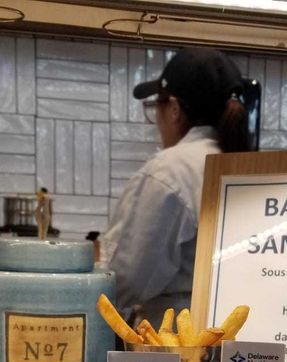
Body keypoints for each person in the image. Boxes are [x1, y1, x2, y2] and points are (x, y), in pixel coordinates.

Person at [100, 47, 251, 327]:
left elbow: (123, 279)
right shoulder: (246, 166)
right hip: (236, 337)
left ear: (173, 109)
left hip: (176, 346)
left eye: (155, 107)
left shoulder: (170, 171)